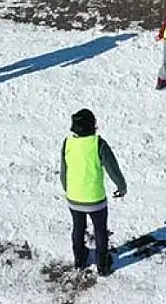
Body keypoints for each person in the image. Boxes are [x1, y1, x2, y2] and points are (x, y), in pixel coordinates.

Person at [61, 108, 127, 276]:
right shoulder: (98, 144)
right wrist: (121, 186)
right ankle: (103, 265)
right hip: (95, 199)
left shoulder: (67, 143)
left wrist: (68, 189)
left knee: (78, 227)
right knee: (100, 229)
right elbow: (113, 168)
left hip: (74, 198)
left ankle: (79, 258)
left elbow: (64, 171)